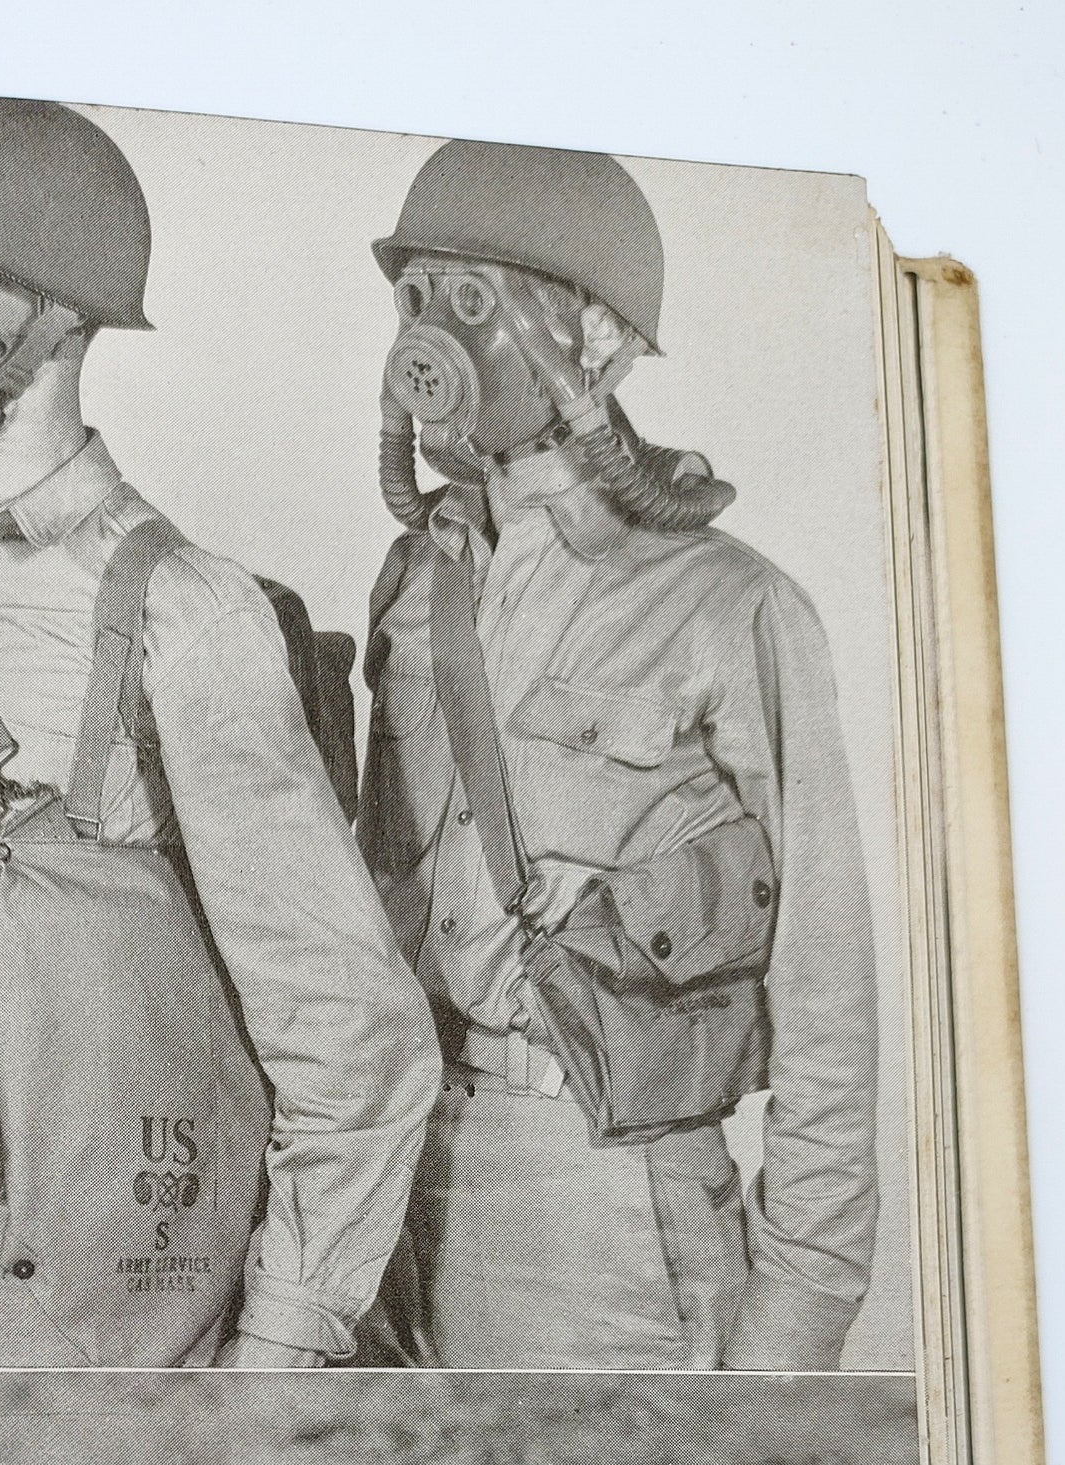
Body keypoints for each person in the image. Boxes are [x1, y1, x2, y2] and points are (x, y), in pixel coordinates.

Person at [0, 95, 439, 1370]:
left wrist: (279, 1351)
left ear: (44, 314)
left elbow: (357, 1039)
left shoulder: (178, 611)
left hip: (82, 1296)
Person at [359, 139, 878, 1371]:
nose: (431, 334)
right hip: (402, 1178)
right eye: (416, 297)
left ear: (594, 340)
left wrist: (795, 1314)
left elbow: (826, 984)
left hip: (605, 1194)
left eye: (474, 301)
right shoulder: (418, 583)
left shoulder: (728, 608)